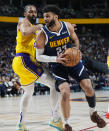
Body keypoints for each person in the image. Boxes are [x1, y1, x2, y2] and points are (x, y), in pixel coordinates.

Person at [35, 4, 107, 130]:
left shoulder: (67, 26)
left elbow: (75, 39)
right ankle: (66, 123)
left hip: (73, 62)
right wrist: (56, 59)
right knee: (65, 92)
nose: (44, 19)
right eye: (44, 17)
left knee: (88, 86)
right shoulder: (42, 34)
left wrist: (76, 49)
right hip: (57, 65)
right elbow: (38, 57)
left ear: (55, 16)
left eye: (47, 16)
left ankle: (93, 113)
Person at [12, 5, 63, 131]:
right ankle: (55, 119)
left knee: (28, 92)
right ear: (25, 13)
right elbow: (24, 31)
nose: (34, 14)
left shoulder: (34, 29)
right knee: (54, 84)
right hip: (24, 60)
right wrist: (39, 27)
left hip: (22, 62)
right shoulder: (23, 22)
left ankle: (22, 125)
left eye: (35, 12)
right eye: (30, 12)